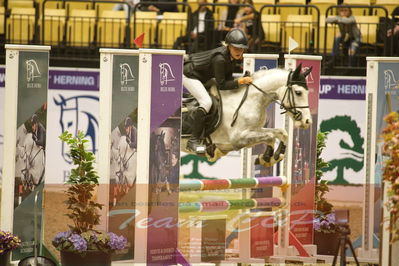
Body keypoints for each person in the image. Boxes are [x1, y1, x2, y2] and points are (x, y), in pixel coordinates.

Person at [183, 28, 253, 153]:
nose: (239, 51)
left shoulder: (231, 58)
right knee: (206, 102)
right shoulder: (220, 59)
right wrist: (241, 81)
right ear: (228, 46)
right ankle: (193, 140)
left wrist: (239, 81)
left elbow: (228, 80)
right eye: (235, 48)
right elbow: (222, 85)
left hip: (202, 77)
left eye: (241, 48)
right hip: (189, 75)